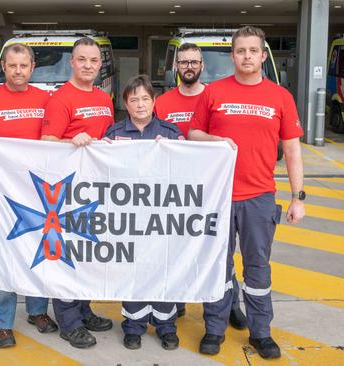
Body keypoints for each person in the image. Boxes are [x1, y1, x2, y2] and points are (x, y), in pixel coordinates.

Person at [189, 26, 305, 359]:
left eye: (254, 51)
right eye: (241, 51)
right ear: (232, 55)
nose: (247, 56)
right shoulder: (213, 93)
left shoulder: (280, 97)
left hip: (259, 197)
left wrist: (298, 197)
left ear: (263, 55)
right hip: (218, 197)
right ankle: (214, 328)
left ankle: (260, 332)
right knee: (217, 267)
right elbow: (194, 133)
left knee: (257, 270)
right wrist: (215, 140)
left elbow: (293, 151)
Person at [154, 42, 247, 330]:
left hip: (211, 187)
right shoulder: (163, 102)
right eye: (183, 62)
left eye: (194, 62)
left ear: (202, 65)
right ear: (176, 67)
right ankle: (177, 300)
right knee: (175, 244)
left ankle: (230, 303)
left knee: (219, 248)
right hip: (175, 187)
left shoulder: (215, 96)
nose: (189, 67)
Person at [0, 43, 58, 349]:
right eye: (12, 66)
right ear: (4, 68)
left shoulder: (46, 100)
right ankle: (3, 322)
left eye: (24, 66)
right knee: (6, 256)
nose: (18, 71)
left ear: (32, 68)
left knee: (40, 253)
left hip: (39, 193)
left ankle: (38, 311)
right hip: (3, 195)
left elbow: (53, 141)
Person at [41, 37, 115, 349]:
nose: (87, 65)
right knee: (66, 258)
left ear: (100, 65)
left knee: (85, 255)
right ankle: (69, 323)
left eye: (93, 60)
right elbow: (46, 142)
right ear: (72, 62)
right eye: (82, 59)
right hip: (66, 191)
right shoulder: (60, 99)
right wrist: (72, 141)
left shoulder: (104, 97)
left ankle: (84, 311)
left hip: (95, 190)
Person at [105, 74, 182, 351]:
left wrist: (177, 150)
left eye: (145, 98)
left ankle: (166, 326)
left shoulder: (171, 133)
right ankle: (134, 326)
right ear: (125, 103)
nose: (140, 104)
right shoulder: (113, 134)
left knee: (163, 270)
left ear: (154, 101)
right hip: (129, 220)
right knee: (133, 271)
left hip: (163, 218)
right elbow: (101, 174)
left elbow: (190, 170)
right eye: (134, 99)